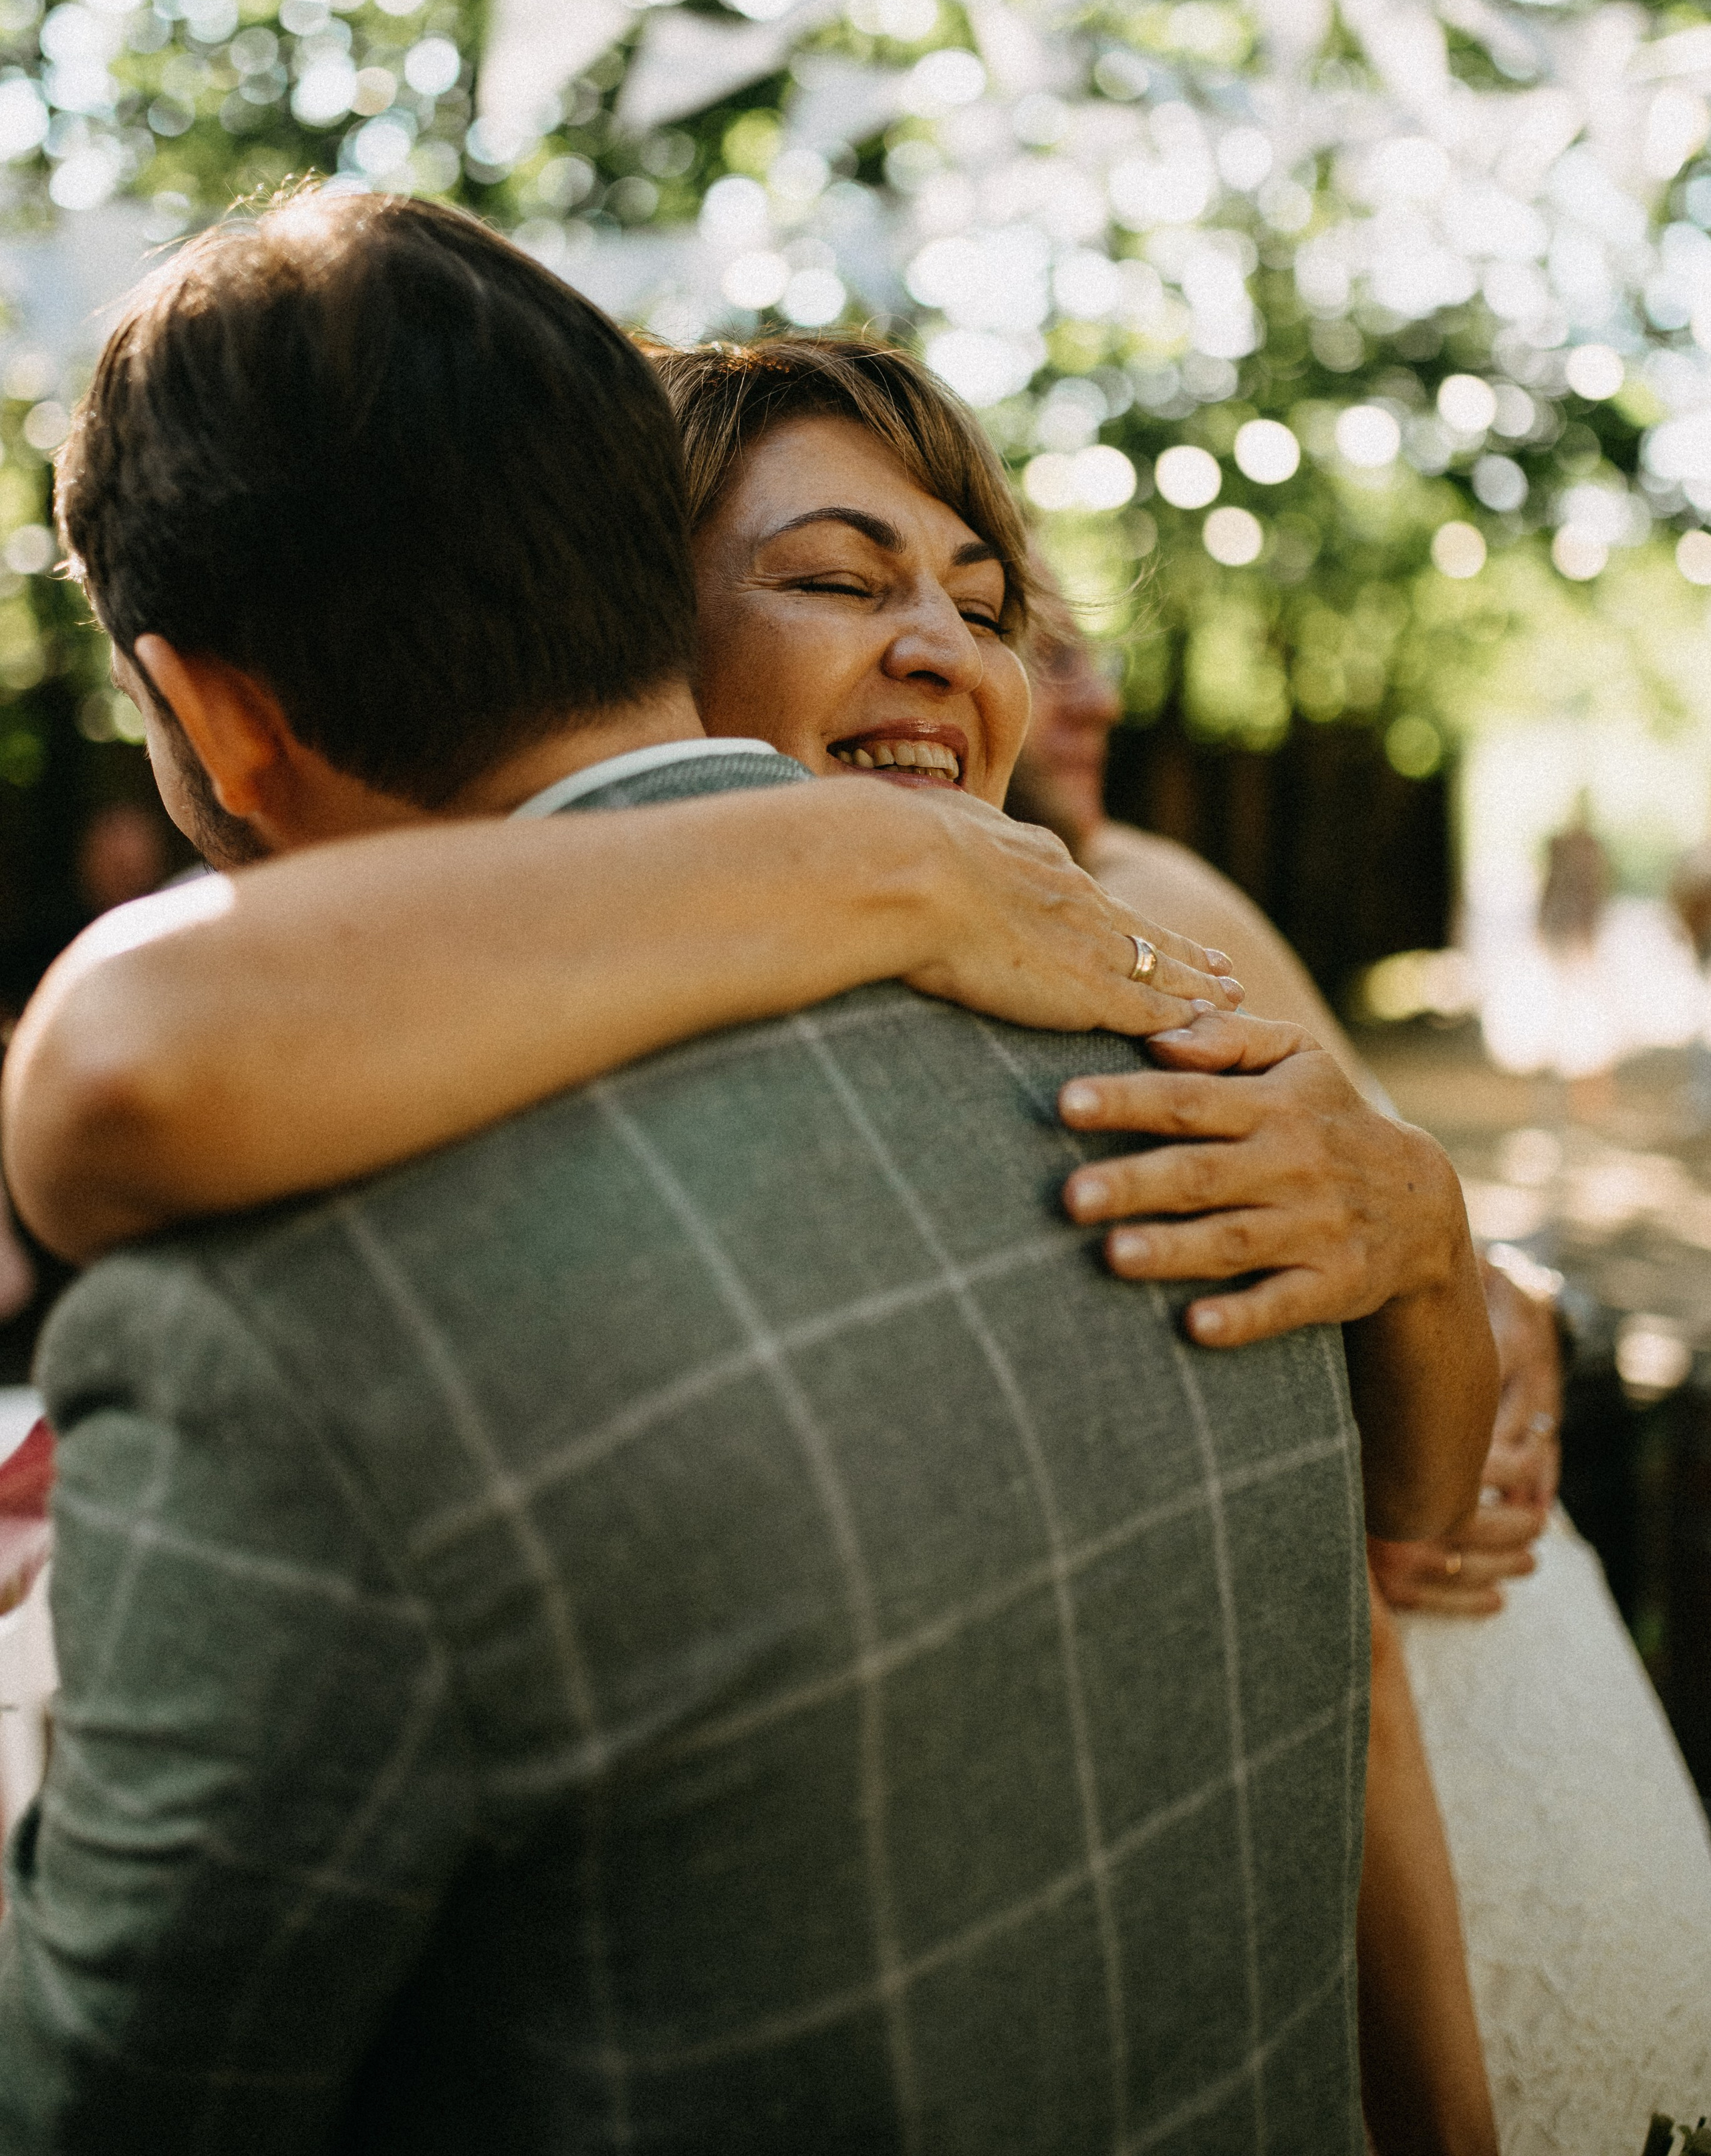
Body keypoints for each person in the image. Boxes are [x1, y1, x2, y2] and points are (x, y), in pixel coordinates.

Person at [0, 189, 1495, 2151]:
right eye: (837, 576)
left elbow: (108, 2103)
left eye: (983, 598)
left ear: (209, 708)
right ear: (650, 592)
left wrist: (1444, 1240)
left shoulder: (293, 1322)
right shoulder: (1154, 1060)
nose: (941, 651)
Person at [1007, 593, 1711, 2154]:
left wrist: (1493, 1292)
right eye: (1037, 643)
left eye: (1047, 630)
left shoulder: (1128, 886)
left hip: (1451, 1645)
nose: (1089, 689)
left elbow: (1386, 1192)